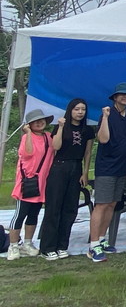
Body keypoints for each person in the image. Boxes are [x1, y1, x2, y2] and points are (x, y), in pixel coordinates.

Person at [88, 82, 126, 262]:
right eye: (122, 94)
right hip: (106, 168)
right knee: (101, 204)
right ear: (115, 97)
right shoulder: (107, 114)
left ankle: (102, 239)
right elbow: (103, 139)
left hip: (123, 167)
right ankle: (93, 245)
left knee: (112, 204)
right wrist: (104, 117)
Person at [39, 99, 94, 260]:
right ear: (70, 110)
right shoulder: (61, 126)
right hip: (60, 167)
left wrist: (85, 173)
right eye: (76, 109)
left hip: (76, 168)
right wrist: (61, 127)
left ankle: (62, 245)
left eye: (83, 109)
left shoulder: (88, 130)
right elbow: (55, 147)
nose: (80, 112)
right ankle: (48, 247)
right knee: (54, 206)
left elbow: (88, 153)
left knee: (70, 208)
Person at [7, 109, 54, 261]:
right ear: (29, 125)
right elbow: (27, 153)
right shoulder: (26, 137)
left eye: (41, 120)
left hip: (41, 184)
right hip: (27, 183)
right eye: (35, 121)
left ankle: (28, 243)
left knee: (33, 214)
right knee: (20, 214)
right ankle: (13, 245)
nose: (39, 123)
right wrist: (27, 133)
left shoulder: (48, 137)